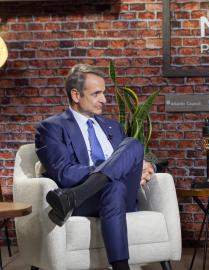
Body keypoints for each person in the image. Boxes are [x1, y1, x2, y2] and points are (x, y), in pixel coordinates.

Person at [35, 64, 155, 270]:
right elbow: (63, 172)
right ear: (75, 94)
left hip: (120, 195)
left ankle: (73, 196)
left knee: (133, 145)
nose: (104, 100)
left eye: (104, 93)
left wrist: (148, 166)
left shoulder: (112, 126)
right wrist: (110, 169)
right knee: (114, 186)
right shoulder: (52, 127)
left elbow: (129, 158)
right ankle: (121, 267)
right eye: (97, 93)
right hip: (91, 201)